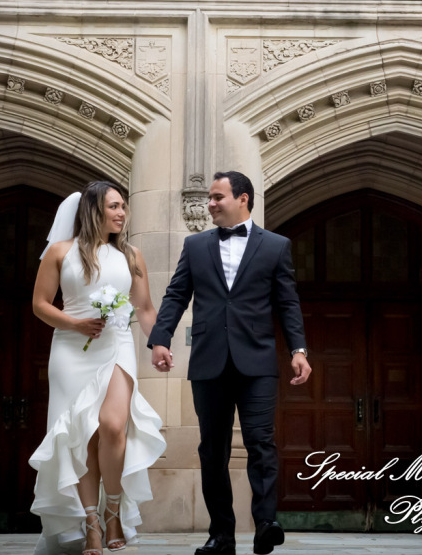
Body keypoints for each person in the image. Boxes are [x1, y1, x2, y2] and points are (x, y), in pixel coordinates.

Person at [148, 171, 311, 555]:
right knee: (212, 450)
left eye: (217, 197)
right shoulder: (195, 245)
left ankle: (266, 523)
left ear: (243, 199)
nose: (210, 204)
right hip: (209, 362)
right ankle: (221, 534)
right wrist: (160, 339)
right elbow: (176, 295)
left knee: (261, 442)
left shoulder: (276, 246)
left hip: (257, 362)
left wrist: (299, 350)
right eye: (209, 197)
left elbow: (288, 303)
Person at [30, 180, 166, 555]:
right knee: (82, 437)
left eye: (123, 206)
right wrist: (76, 324)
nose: (122, 213)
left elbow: (144, 308)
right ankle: (91, 522)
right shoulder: (60, 252)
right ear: (93, 210)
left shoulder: (131, 255)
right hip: (70, 349)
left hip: (116, 345)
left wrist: (159, 343)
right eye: (114, 206)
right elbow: (40, 304)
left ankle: (113, 510)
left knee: (112, 425)